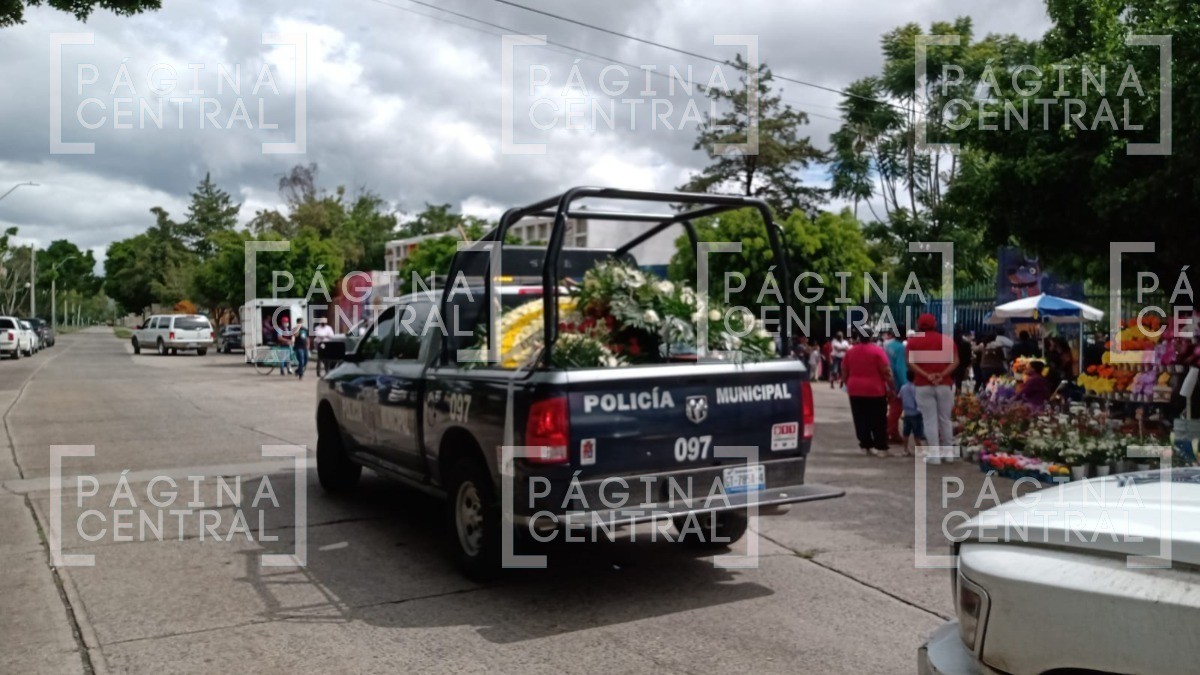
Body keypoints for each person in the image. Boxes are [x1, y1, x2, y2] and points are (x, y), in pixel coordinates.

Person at [907, 313, 958, 461]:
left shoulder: (913, 342)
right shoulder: (947, 340)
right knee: (945, 419)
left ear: (918, 324)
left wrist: (927, 375)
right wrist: (941, 375)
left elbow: (911, 363)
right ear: (935, 323)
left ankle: (934, 455)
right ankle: (948, 454)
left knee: (929, 420)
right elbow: (955, 362)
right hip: (944, 384)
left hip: (923, 384)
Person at [842, 331, 895, 456]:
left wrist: (848, 383)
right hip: (875, 389)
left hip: (855, 389)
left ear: (859, 337)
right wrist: (892, 387)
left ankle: (865, 445)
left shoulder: (851, 352)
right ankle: (881, 447)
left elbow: (844, 370)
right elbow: (886, 371)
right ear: (871, 337)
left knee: (860, 418)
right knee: (878, 419)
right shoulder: (877, 351)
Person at [882, 328, 908, 444]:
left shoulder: (887, 345)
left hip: (885, 379)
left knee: (891, 408)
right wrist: (905, 385)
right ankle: (888, 432)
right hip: (895, 382)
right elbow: (900, 368)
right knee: (896, 409)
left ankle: (894, 432)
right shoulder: (901, 348)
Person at [899, 380, 925, 457]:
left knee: (906, 433)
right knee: (917, 433)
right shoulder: (917, 388)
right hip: (916, 413)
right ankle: (920, 450)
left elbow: (899, 396)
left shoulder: (903, 387)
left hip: (907, 413)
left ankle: (905, 450)